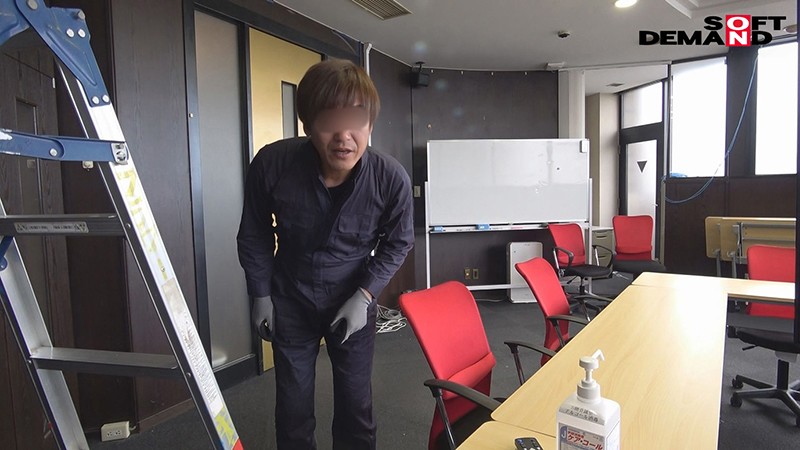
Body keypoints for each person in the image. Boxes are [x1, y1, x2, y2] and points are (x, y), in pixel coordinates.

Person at [237, 58, 414, 450]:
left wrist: (365, 295)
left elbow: (398, 241)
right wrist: (260, 293)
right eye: (330, 121)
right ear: (306, 124)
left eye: (357, 121)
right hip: (290, 297)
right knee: (292, 406)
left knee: (355, 404)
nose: (344, 136)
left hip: (352, 294)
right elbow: (254, 232)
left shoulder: (390, 178)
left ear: (371, 124)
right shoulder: (272, 164)